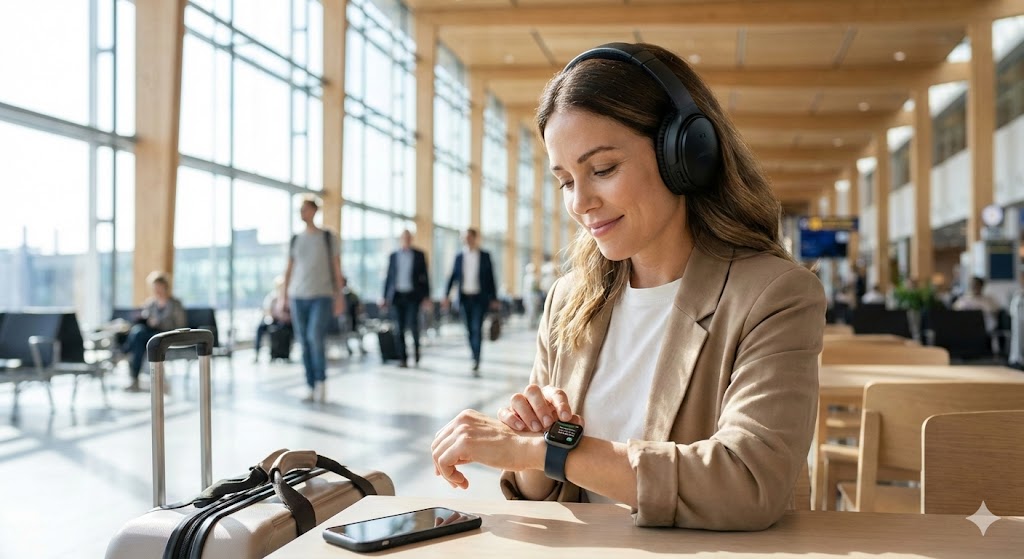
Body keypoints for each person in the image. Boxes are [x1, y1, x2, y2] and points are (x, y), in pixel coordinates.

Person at [430, 42, 825, 531]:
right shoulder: (567, 301)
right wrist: (534, 447)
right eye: (566, 180)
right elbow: (543, 490)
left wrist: (545, 450)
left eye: (602, 169)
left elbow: (746, 482)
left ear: (685, 153)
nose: (580, 202)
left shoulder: (774, 294)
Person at [283, 196, 344, 403]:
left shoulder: (328, 237)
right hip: (297, 296)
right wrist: (283, 297)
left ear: (314, 211)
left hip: (322, 295)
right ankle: (310, 385)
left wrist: (339, 297)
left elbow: (337, 268)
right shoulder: (295, 239)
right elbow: (289, 270)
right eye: (300, 210)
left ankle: (321, 382)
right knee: (304, 343)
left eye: (305, 209)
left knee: (314, 337)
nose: (301, 213)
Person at [443, 228, 497, 373]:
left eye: (469, 237)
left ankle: (476, 358)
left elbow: (491, 278)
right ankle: (474, 354)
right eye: (464, 237)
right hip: (464, 299)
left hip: (479, 298)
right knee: (468, 330)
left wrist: (494, 298)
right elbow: (453, 277)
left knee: (476, 328)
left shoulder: (484, 256)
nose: (467, 240)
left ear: (475, 238)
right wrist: (446, 295)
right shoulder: (459, 257)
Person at [123, 271, 187, 392]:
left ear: (165, 287)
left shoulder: (175, 304)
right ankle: (134, 377)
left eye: (159, 287)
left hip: (166, 334)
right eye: (154, 287)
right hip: (149, 335)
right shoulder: (150, 303)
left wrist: (160, 323)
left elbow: (180, 325)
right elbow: (144, 318)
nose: (156, 290)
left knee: (138, 337)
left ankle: (126, 353)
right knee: (138, 332)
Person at [381, 230, 431, 367]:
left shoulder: (419, 255)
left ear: (411, 239)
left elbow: (425, 278)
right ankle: (403, 358)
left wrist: (427, 296)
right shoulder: (393, 256)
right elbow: (389, 278)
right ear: (400, 239)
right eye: (404, 238)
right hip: (397, 296)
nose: (406, 240)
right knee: (399, 328)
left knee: (413, 326)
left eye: (408, 238)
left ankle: (416, 353)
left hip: (413, 296)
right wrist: (384, 297)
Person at [253, 276, 291, 363]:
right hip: (272, 319)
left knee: (281, 329)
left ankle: (281, 354)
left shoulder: (289, 298)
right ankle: (257, 353)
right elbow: (266, 311)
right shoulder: (271, 297)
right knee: (260, 327)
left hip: (285, 322)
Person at [523, 262, 540, 328]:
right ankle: (530, 322)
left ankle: (533, 322)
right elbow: (525, 289)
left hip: (534, 295)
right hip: (529, 295)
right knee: (530, 310)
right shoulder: (527, 278)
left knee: (534, 310)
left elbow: (536, 288)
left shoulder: (535, 277)